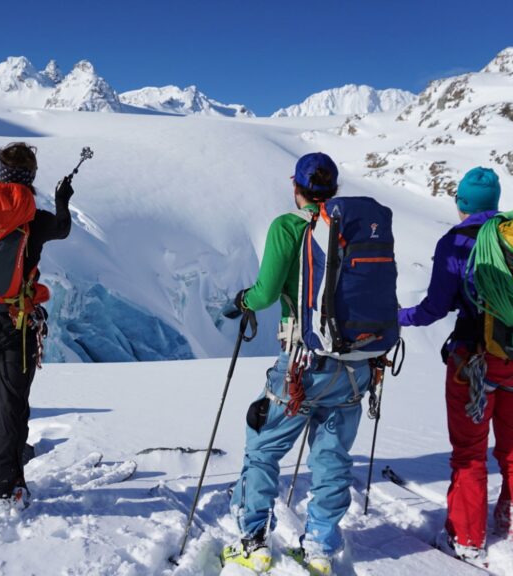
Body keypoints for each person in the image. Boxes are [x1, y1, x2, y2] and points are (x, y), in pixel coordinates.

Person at [221, 153, 373, 575]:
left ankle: (253, 540)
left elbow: (266, 293)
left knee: (263, 448)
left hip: (303, 363)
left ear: (297, 187)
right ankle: (321, 547)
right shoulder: (359, 228)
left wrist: (242, 302)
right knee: (331, 457)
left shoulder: (289, 227)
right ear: (334, 189)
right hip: (356, 365)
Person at [399, 166, 513, 566]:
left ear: (462, 203)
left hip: (474, 361)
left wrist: (398, 317)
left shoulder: (458, 241)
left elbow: (434, 308)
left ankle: (465, 537)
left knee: (469, 453)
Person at [0, 142, 73, 508]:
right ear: (31, 175)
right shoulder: (32, 218)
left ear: (2, 172)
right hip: (16, 322)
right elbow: (63, 228)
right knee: (12, 402)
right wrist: (63, 198)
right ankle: (3, 486)